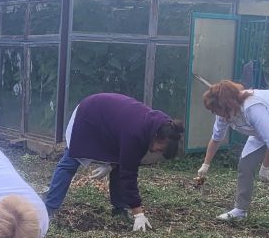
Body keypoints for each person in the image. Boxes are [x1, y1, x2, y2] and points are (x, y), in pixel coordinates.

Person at [42, 93, 184, 231]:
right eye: (161, 149)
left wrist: (111, 165)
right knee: (71, 161)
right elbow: (129, 174)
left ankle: (119, 208)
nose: (158, 152)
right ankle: (49, 208)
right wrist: (138, 212)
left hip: (107, 120)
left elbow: (124, 158)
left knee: (119, 167)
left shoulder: (160, 126)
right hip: (87, 116)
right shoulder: (136, 133)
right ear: (158, 138)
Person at [195, 80, 269, 237]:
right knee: (245, 164)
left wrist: (265, 168)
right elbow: (216, 138)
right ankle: (240, 209)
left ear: (228, 104)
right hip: (264, 129)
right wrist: (206, 164)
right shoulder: (223, 113)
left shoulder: (253, 108)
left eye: (216, 110)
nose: (216, 114)